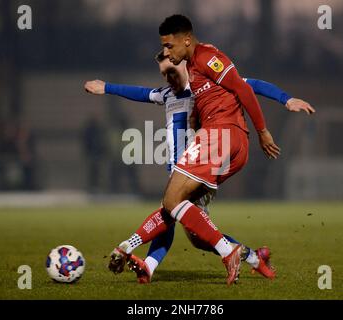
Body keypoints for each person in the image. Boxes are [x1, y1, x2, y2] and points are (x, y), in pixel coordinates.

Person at [96, 14, 313, 285]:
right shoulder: (174, 91)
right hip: (213, 152)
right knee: (196, 233)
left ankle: (135, 253)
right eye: (164, 72)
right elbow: (140, 92)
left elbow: (248, 87)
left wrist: (282, 104)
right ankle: (254, 258)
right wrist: (106, 88)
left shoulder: (205, 65)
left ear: (185, 42)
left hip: (216, 141)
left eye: (170, 53)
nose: (168, 66)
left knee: (172, 205)